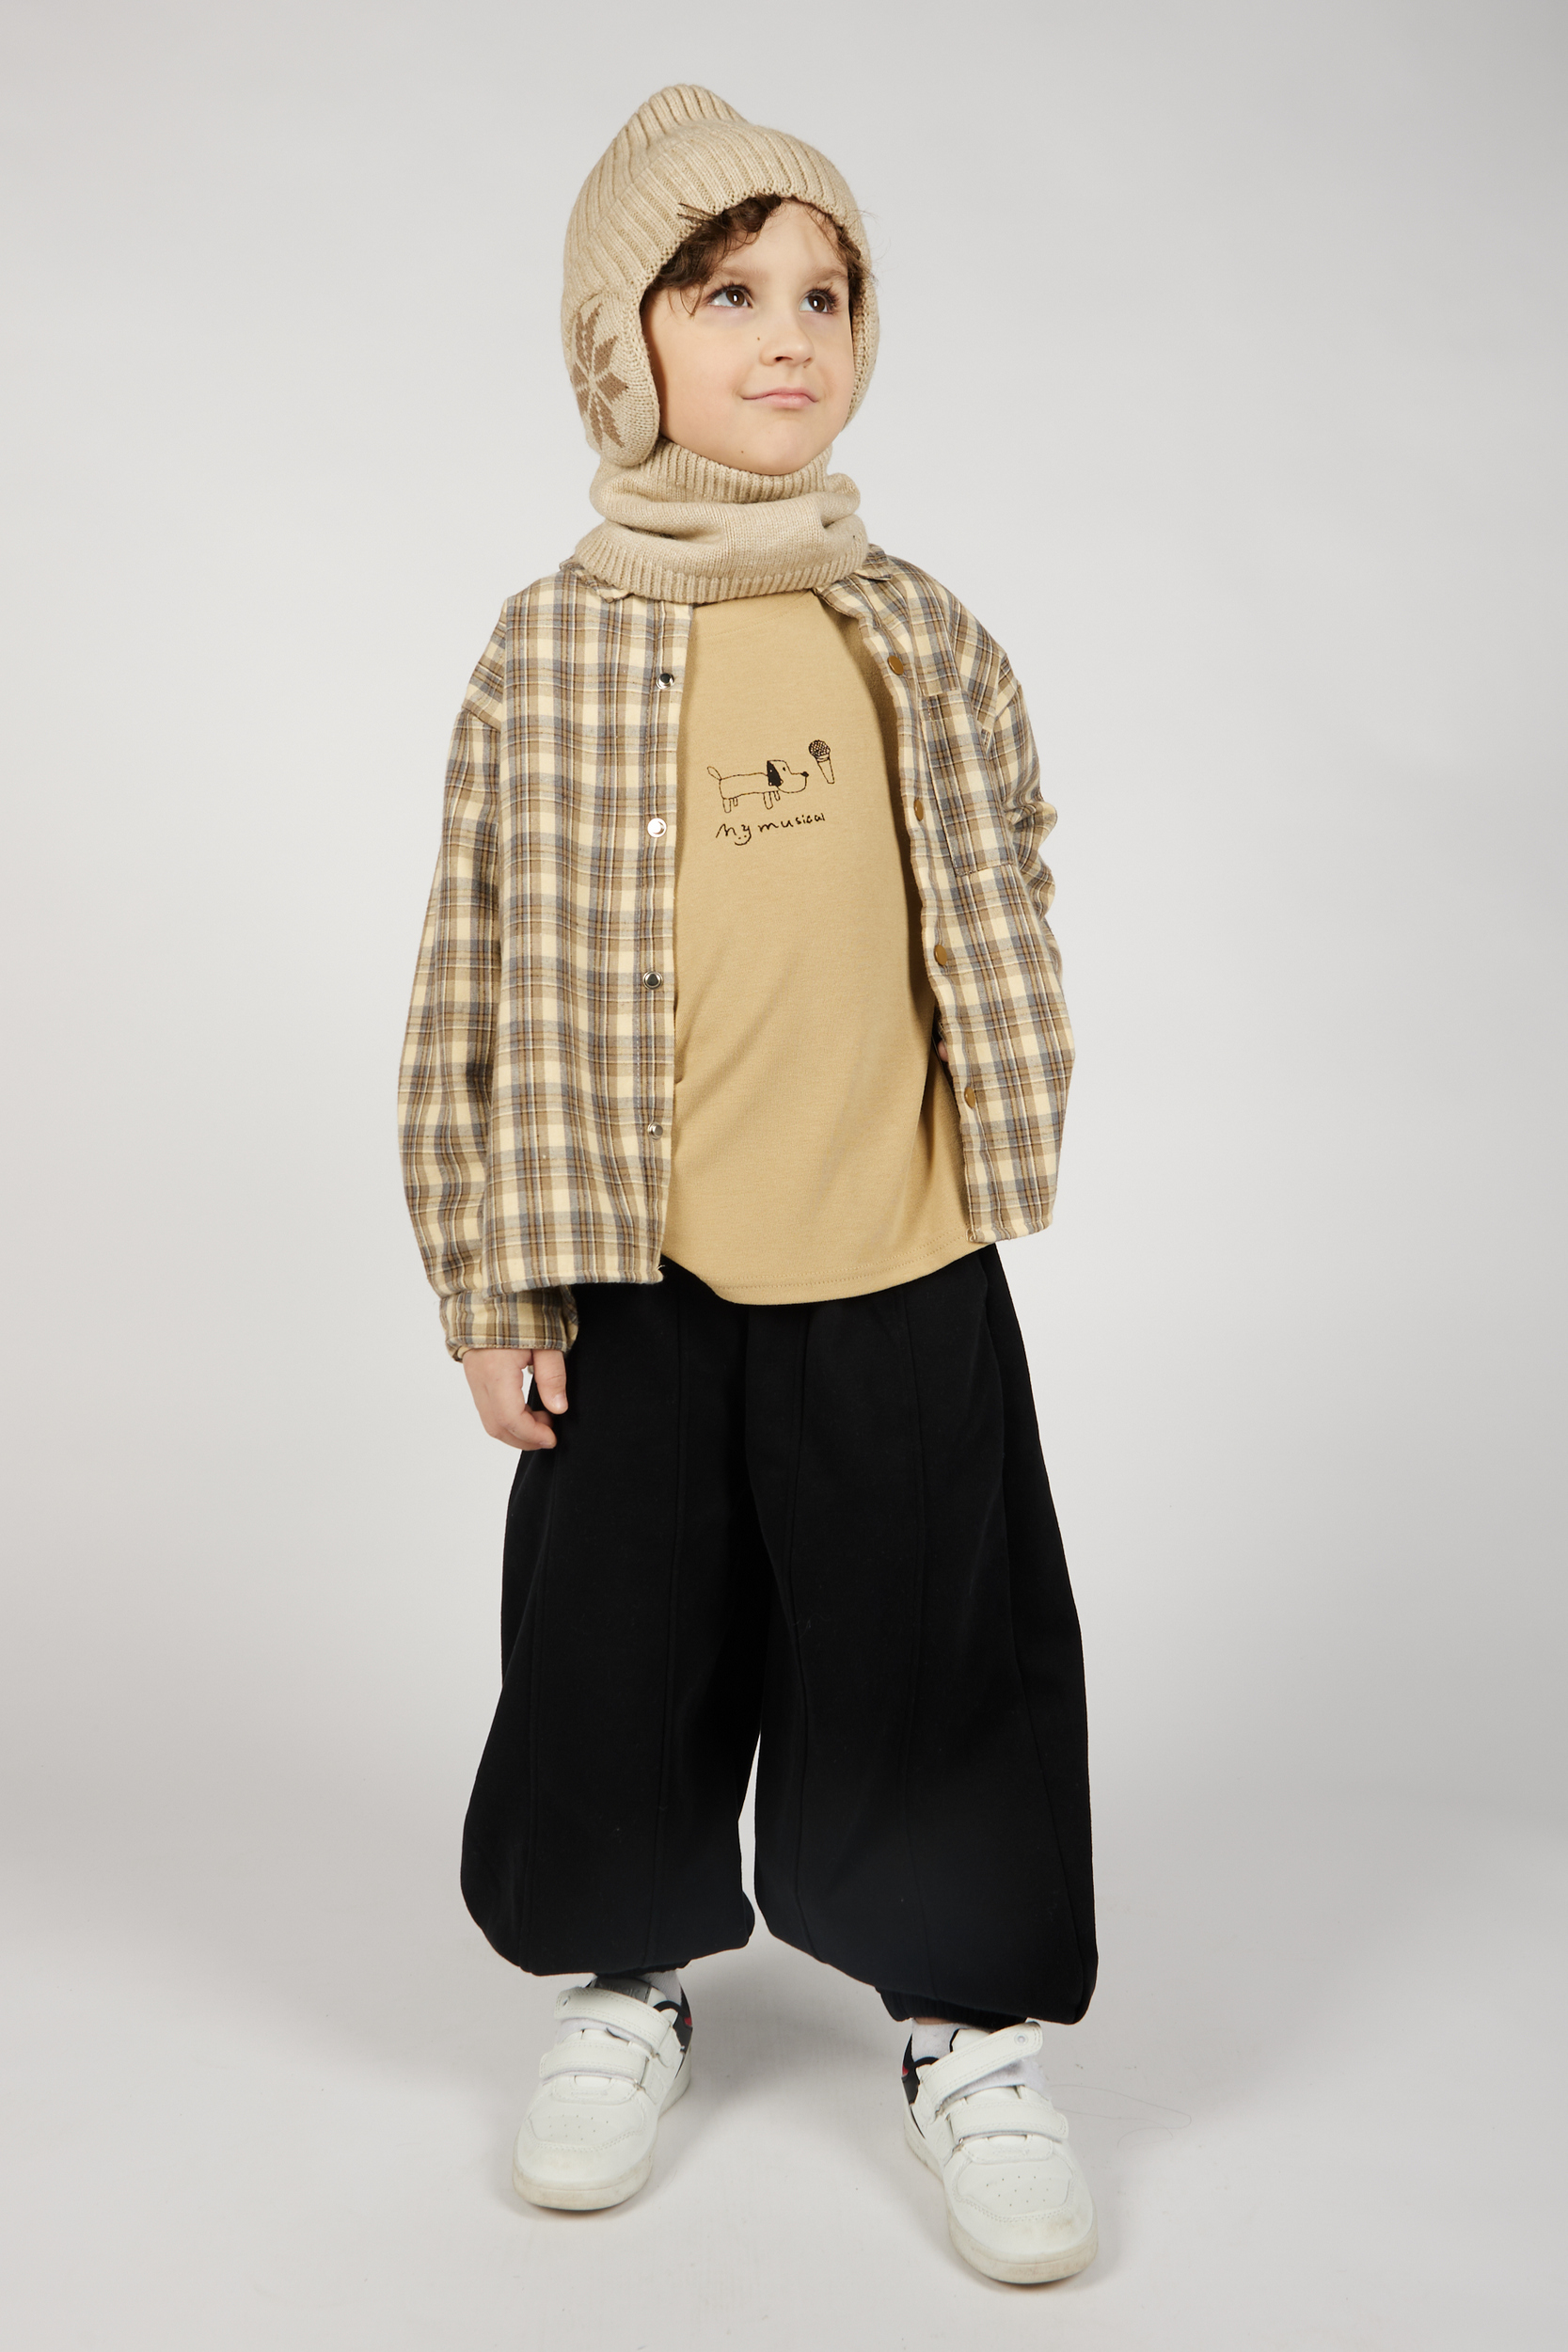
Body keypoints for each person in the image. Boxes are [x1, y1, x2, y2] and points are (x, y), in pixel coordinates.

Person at [399, 83, 1097, 2288]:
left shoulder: (919, 629)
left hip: (895, 1243)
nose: (788, 334)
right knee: (617, 1644)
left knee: (933, 1641)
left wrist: (991, 1051)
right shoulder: (550, 645)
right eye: (724, 295)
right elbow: (471, 963)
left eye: (825, 292)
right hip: (636, 1262)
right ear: (623, 341)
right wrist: (487, 1277)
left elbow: (1009, 844)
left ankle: (966, 2021)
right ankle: (627, 1981)